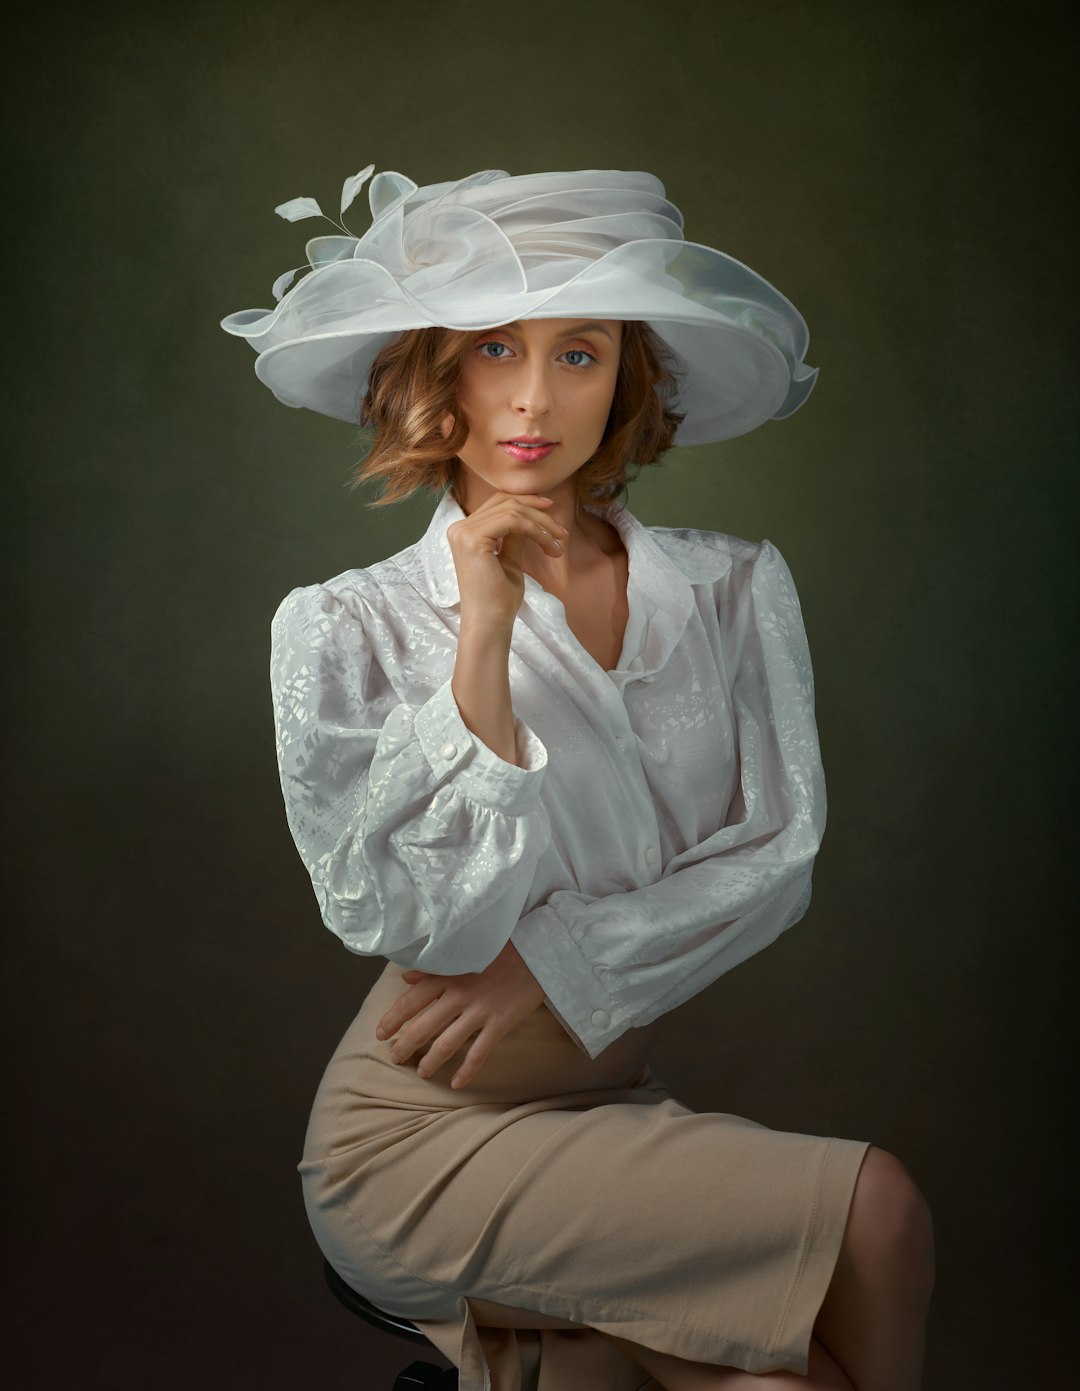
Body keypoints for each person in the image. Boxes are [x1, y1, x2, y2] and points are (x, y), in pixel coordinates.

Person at [223, 165, 935, 1391]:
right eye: (495, 347)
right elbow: (402, 920)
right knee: (877, 1209)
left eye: (581, 353)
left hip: (609, 1112)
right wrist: (484, 632)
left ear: (632, 374)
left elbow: (781, 853)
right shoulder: (348, 625)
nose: (535, 398)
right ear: (436, 372)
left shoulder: (729, 588)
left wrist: (558, 964)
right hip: (410, 1144)